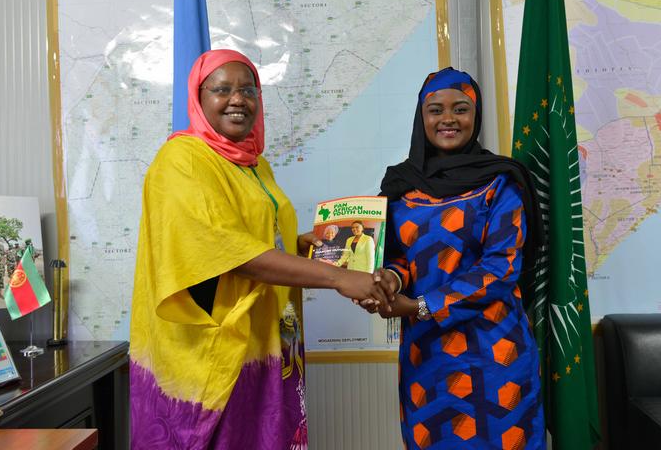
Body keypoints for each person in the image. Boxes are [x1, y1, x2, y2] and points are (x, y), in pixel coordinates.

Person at [129, 49, 396, 450]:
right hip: (213, 356)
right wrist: (338, 277)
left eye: (248, 89)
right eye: (222, 90)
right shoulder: (181, 160)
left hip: (266, 342)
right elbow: (226, 250)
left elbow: (254, 235)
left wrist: (297, 245)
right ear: (198, 99)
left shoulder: (255, 164)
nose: (237, 99)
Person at [369, 68, 545, 449]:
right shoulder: (401, 185)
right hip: (427, 357)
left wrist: (420, 305)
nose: (447, 119)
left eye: (460, 109)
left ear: (475, 116)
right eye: (435, 110)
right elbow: (400, 258)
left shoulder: (501, 182)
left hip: (495, 354)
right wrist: (390, 281)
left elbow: (501, 268)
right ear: (421, 117)